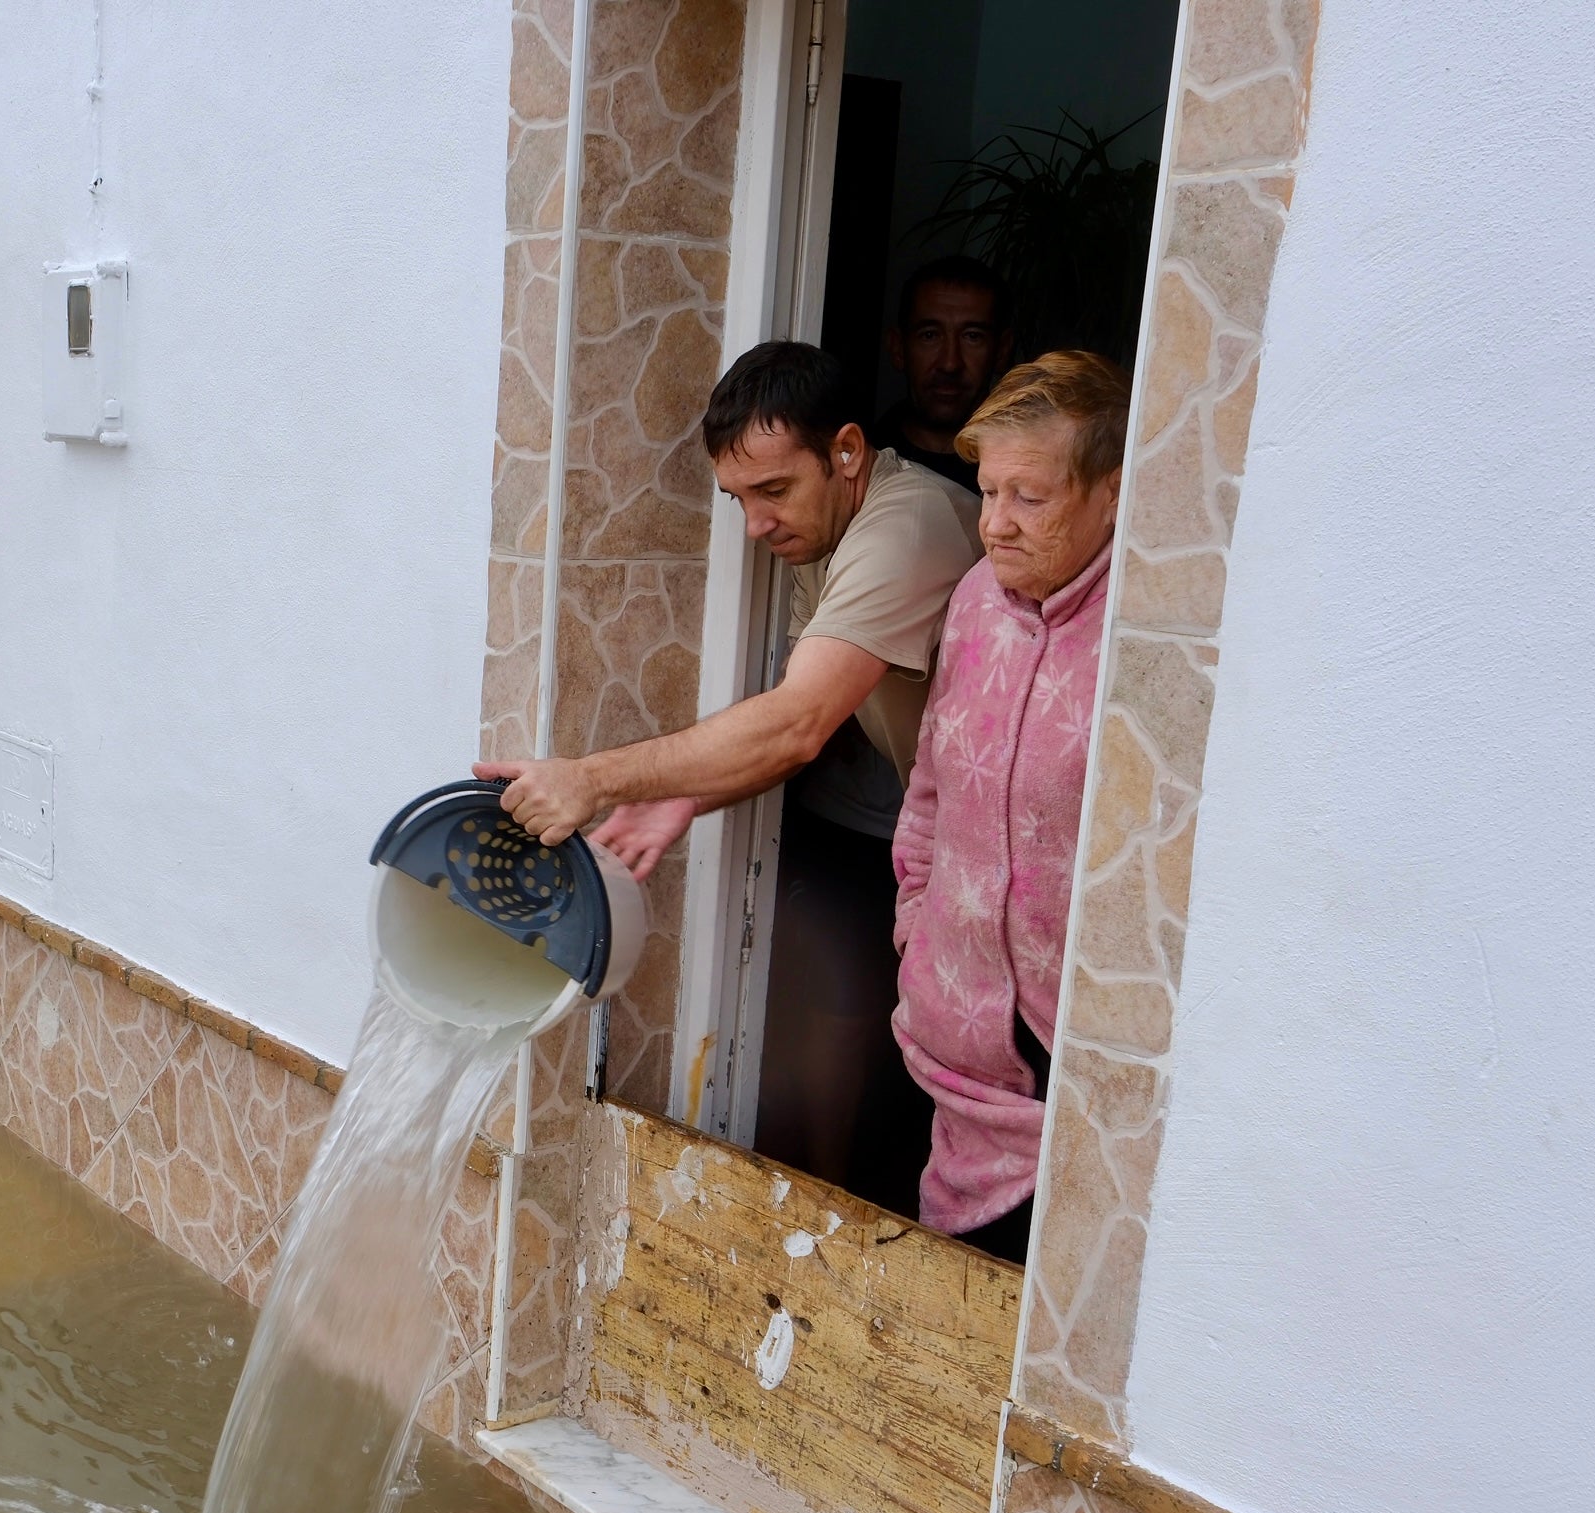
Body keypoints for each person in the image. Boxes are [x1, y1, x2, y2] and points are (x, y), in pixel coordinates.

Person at [475, 342, 980, 1208]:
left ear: (848, 453)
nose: (753, 524)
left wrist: (595, 780)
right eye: (737, 498)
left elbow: (793, 725)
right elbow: (802, 720)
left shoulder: (906, 527)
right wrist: (681, 795)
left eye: (773, 490)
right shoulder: (828, 535)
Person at [890, 352, 1129, 1263]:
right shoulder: (975, 603)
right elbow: (928, 791)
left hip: (1065, 1074)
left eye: (1028, 497)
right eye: (988, 491)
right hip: (950, 1048)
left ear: (1109, 494)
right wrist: (918, 935)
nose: (993, 524)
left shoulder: (1143, 638)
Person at [871, 258, 1014, 494]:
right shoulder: (864, 462)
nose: (950, 363)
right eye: (929, 335)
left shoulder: (1024, 472)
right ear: (898, 348)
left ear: (1001, 351)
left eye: (972, 337)